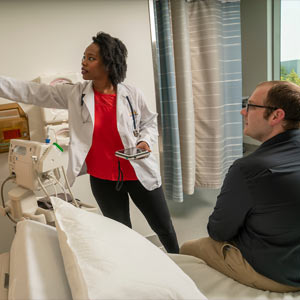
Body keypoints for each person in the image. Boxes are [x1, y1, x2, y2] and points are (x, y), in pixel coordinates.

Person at [0, 31, 179, 253]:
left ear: (109, 64)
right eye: (84, 57)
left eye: (91, 58)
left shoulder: (131, 94)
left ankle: (181, 264)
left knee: (164, 227)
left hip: (138, 173)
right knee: (120, 234)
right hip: (103, 180)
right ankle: (132, 273)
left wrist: (145, 141)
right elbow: (31, 91)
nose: (83, 62)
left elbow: (150, 122)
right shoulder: (76, 94)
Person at [180, 80, 300, 291]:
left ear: (276, 116)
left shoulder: (248, 169)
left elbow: (218, 232)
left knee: (188, 248)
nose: (243, 112)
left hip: (281, 275)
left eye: (251, 105)